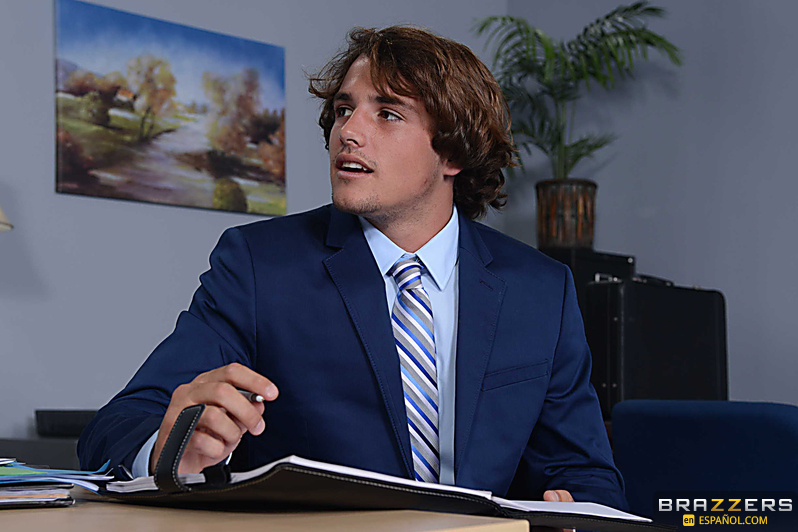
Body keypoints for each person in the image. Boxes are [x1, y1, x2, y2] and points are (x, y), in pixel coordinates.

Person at [78, 25, 626, 511]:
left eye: (387, 113)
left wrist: (574, 516)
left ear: (454, 153)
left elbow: (586, 476)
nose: (348, 132)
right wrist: (170, 451)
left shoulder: (542, 289)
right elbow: (118, 427)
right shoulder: (258, 265)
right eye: (344, 109)